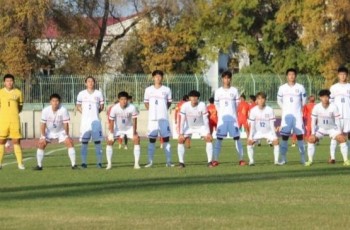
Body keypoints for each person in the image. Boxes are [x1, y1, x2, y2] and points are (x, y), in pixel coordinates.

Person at [305, 89, 350, 166]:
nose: (325, 99)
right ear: (320, 98)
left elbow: (337, 120)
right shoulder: (316, 107)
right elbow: (313, 121)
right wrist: (312, 133)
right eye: (323, 97)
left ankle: (346, 160)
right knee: (311, 139)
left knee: (342, 139)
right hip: (321, 129)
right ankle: (310, 160)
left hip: (332, 129)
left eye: (327, 97)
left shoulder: (334, 107)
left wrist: (339, 132)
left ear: (329, 97)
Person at [34, 93, 77, 170]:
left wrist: (67, 136)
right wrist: (43, 137)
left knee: (69, 142)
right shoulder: (45, 110)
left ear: (59, 102)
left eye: (57, 101)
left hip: (61, 131)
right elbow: (43, 124)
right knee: (41, 144)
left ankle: (74, 165)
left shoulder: (63, 110)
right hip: (49, 131)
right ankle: (39, 166)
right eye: (53, 101)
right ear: (50, 102)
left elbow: (66, 124)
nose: (55, 103)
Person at [212, 70, 246, 166]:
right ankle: (215, 159)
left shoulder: (234, 90)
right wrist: (221, 113)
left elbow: (237, 104)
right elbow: (216, 104)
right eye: (225, 78)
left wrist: (233, 113)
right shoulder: (218, 91)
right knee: (219, 139)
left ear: (230, 79)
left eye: (228, 78)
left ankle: (241, 159)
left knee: (237, 138)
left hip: (232, 119)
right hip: (222, 119)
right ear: (222, 79)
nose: (226, 80)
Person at [144, 70, 173, 167]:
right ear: (153, 78)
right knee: (152, 140)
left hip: (163, 118)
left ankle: (168, 162)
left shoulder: (167, 89)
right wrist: (152, 111)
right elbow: (146, 103)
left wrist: (163, 110)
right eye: (156, 76)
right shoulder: (148, 90)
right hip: (152, 119)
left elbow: (168, 103)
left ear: (162, 78)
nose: (158, 78)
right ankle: (150, 162)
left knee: (166, 139)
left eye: (160, 76)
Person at [277, 68, 307, 165]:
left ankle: (303, 158)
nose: (291, 76)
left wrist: (299, 110)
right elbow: (279, 101)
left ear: (295, 76)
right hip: (286, 116)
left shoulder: (301, 87)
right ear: (287, 76)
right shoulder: (282, 88)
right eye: (289, 74)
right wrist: (285, 109)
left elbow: (304, 101)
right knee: (284, 137)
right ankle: (283, 158)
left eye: (293, 74)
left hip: (297, 116)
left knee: (299, 137)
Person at [177, 90, 213, 168]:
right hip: (189, 126)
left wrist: (208, 132)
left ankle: (210, 162)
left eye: (196, 97)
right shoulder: (185, 106)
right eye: (192, 97)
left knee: (209, 139)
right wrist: (181, 133)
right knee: (180, 140)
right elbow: (182, 120)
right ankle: (181, 163)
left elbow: (206, 120)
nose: (194, 98)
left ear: (198, 98)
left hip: (201, 126)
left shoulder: (202, 105)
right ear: (189, 98)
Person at [106, 91, 141, 169]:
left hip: (129, 128)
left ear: (127, 99)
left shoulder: (132, 107)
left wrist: (134, 132)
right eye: (121, 99)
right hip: (117, 128)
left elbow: (135, 120)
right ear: (119, 100)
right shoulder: (114, 108)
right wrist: (111, 132)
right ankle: (109, 164)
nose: (123, 101)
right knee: (109, 141)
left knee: (137, 139)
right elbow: (111, 120)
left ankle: (136, 164)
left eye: (125, 99)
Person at [76, 76, 104, 168]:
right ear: (85, 83)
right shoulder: (81, 93)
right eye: (88, 81)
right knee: (84, 143)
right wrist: (84, 113)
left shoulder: (99, 93)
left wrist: (95, 113)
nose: (90, 83)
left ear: (94, 83)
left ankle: (99, 163)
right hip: (85, 123)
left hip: (96, 122)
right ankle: (84, 163)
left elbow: (102, 106)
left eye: (92, 81)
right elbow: (78, 105)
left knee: (97, 142)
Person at [247, 92, 280, 165]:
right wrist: (250, 136)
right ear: (256, 100)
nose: (261, 100)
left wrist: (274, 136)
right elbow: (252, 125)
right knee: (249, 142)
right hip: (257, 132)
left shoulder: (270, 110)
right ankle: (251, 161)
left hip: (268, 132)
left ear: (265, 100)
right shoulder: (253, 110)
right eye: (259, 99)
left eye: (263, 98)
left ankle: (276, 161)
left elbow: (272, 124)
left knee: (276, 142)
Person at [0, 74, 25, 170]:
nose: (9, 83)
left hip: (15, 120)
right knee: (1, 141)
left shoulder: (18, 92)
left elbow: (20, 107)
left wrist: (14, 113)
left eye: (11, 81)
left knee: (16, 141)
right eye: (7, 81)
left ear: (13, 82)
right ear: (4, 82)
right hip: (3, 121)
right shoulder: (0, 92)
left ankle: (20, 164)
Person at [329, 66, 350, 164]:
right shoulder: (333, 87)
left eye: (344, 74)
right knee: (335, 136)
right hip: (337, 117)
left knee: (347, 136)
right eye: (341, 74)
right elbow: (330, 102)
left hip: (348, 116)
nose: (343, 76)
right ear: (338, 75)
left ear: (347, 76)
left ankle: (346, 158)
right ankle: (332, 157)